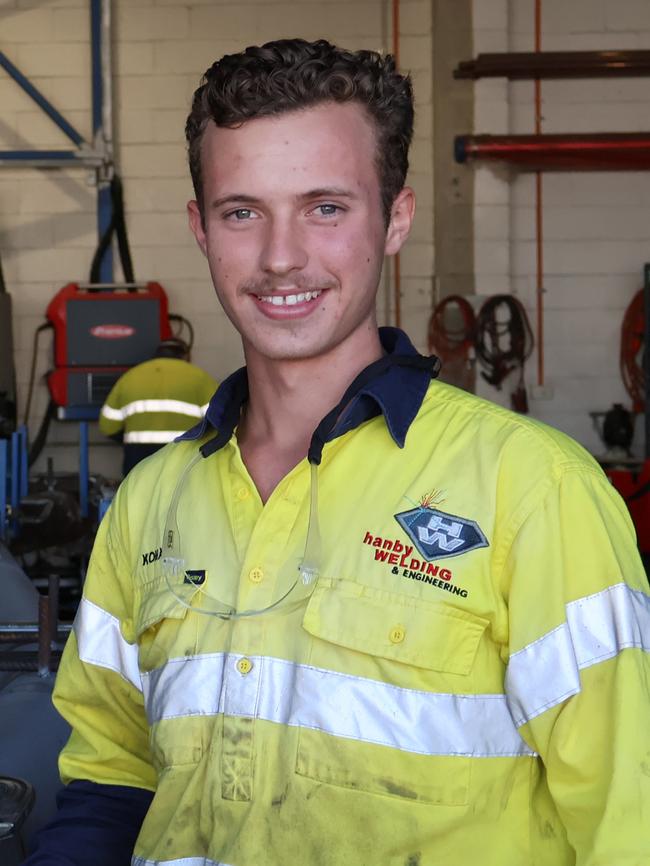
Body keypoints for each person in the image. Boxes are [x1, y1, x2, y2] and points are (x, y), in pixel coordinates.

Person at [26, 38, 650, 866]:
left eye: (326, 207)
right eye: (241, 211)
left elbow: (627, 817)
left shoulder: (533, 490)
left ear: (395, 219)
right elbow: (110, 775)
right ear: (200, 229)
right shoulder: (151, 501)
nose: (282, 257)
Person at [98, 337, 217, 475]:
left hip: (138, 458)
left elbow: (107, 425)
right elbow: (220, 419)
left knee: (139, 495)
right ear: (186, 355)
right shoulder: (199, 377)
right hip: (183, 457)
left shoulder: (131, 376)